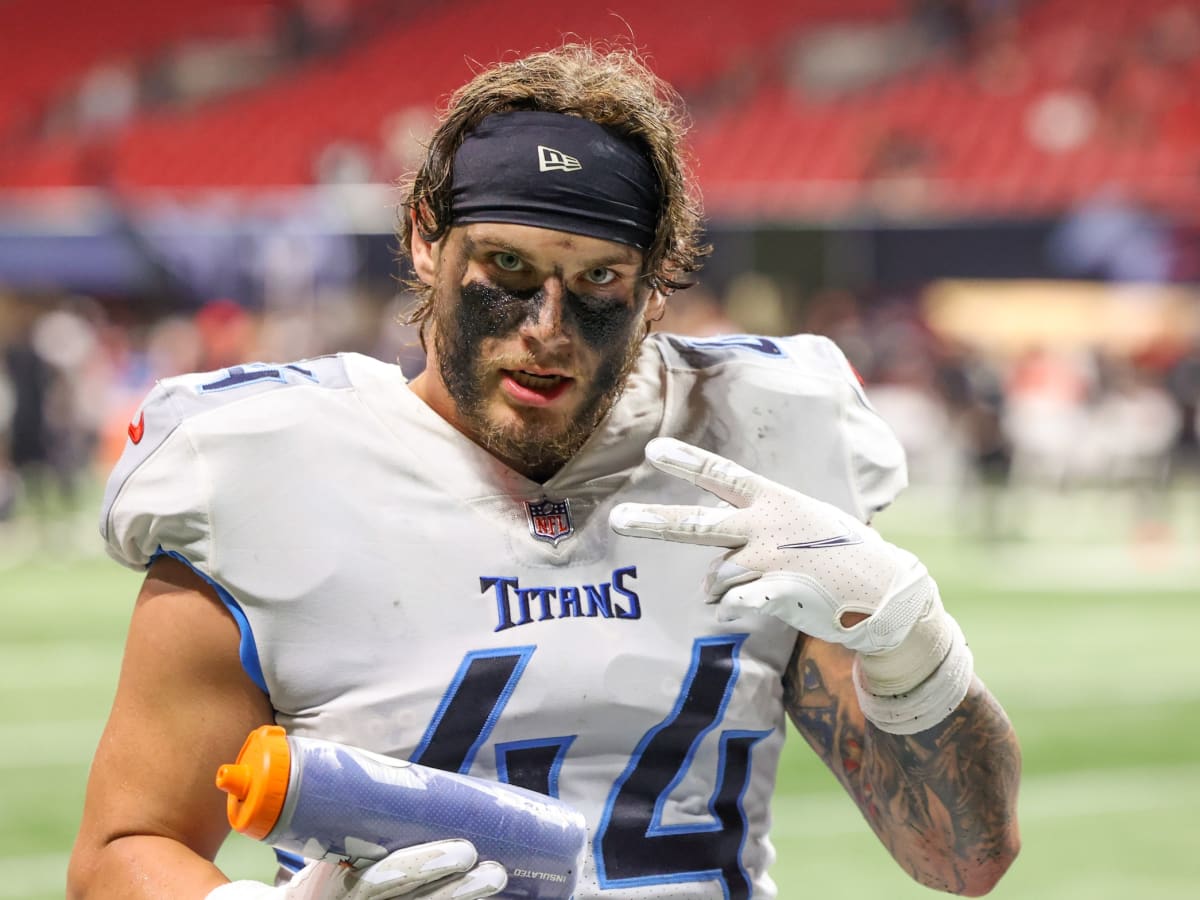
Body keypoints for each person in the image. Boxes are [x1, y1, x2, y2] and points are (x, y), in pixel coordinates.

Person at [67, 43, 1021, 900]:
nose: (546, 329)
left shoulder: (758, 437)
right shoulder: (264, 465)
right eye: (508, 266)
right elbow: (121, 849)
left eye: (599, 279)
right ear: (424, 239)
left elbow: (963, 857)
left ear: (657, 281)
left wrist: (914, 647)